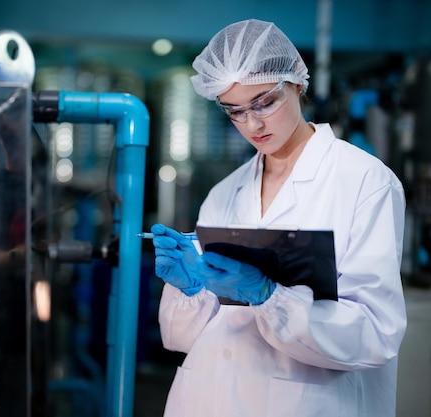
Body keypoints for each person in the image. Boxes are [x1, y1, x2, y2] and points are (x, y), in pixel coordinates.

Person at [150, 19, 407, 417]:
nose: (252, 124)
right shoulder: (225, 192)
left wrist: (272, 298)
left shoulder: (364, 181)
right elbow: (186, 337)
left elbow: (376, 333)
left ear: (298, 84)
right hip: (208, 396)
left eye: (265, 102)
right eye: (234, 111)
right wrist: (192, 290)